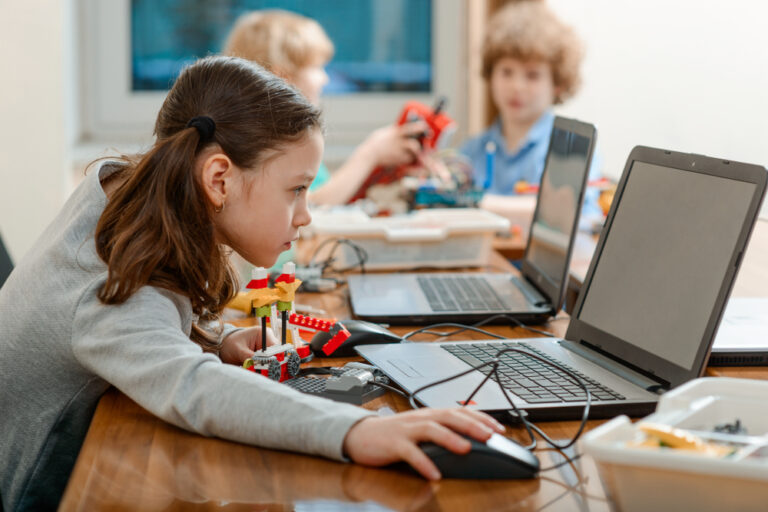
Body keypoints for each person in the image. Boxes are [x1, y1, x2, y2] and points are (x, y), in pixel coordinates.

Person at [0, 56, 504, 511]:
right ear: (219, 179)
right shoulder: (111, 273)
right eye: (297, 190)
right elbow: (191, 388)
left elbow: (146, 337)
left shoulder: (123, 199)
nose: (306, 215)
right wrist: (357, 431)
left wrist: (215, 341)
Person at [223, 10, 427, 205]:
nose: (324, 79)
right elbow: (308, 207)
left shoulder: (294, 136)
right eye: (316, 67)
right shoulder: (265, 146)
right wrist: (369, 154)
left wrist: (376, 169)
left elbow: (327, 194)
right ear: (282, 78)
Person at [460, 1, 600, 224]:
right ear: (491, 74)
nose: (517, 87)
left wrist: (475, 204)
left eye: (532, 75)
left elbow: (570, 215)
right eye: (506, 72)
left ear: (557, 84)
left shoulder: (570, 148)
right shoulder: (471, 151)